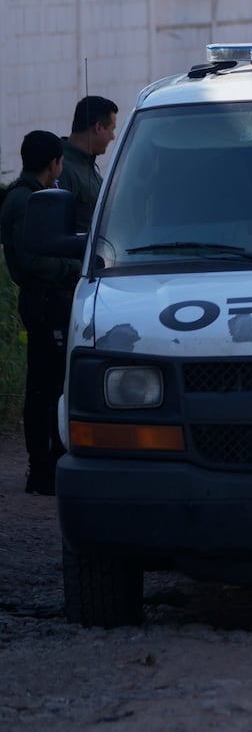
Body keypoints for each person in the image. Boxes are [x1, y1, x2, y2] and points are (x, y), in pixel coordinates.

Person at [1, 131, 77, 495]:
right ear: (54, 163)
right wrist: (69, 270)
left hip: (46, 300)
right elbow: (31, 259)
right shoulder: (25, 201)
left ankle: (49, 463)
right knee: (43, 387)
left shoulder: (30, 197)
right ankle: (41, 468)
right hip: (42, 302)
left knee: (51, 384)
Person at [58, 95, 118, 233]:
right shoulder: (62, 169)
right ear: (98, 127)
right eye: (112, 129)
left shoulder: (87, 167)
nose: (113, 137)